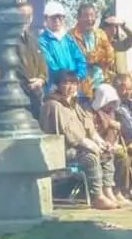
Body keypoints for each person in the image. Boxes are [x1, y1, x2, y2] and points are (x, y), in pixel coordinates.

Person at [39, 70, 119, 210]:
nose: (70, 87)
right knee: (91, 158)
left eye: (74, 83)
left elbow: (88, 126)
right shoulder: (53, 104)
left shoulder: (75, 105)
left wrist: (100, 142)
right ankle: (97, 196)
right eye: (66, 83)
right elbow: (69, 132)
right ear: (58, 85)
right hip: (63, 150)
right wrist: (89, 144)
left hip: (81, 146)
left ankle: (108, 191)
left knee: (107, 154)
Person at [89, 82, 132, 202]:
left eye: (113, 103)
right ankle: (116, 190)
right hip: (102, 146)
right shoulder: (95, 114)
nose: (111, 106)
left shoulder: (114, 114)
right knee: (122, 159)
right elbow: (95, 132)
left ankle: (127, 189)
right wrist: (110, 125)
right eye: (108, 103)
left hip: (114, 145)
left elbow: (122, 132)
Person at [37, 1, 87, 81]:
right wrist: (63, 78)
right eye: (53, 18)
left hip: (74, 83)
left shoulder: (68, 38)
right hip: (54, 86)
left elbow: (80, 59)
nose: (57, 21)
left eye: (60, 17)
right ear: (46, 19)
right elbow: (50, 64)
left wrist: (78, 76)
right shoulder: (42, 41)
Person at [70, 4, 116, 82]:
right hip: (78, 81)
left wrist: (101, 60)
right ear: (78, 18)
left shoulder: (101, 34)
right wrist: (87, 59)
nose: (89, 19)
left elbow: (110, 56)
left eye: (92, 15)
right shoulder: (70, 36)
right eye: (86, 16)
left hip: (99, 79)